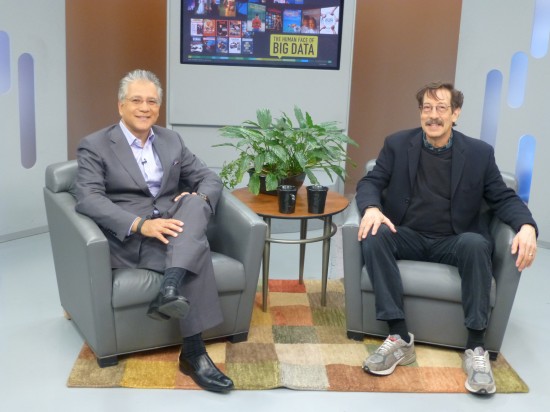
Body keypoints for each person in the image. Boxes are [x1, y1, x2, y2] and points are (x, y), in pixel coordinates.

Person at [355, 81, 538, 395]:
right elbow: (371, 181)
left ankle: (476, 347)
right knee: (375, 234)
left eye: (441, 108)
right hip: (407, 234)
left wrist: (527, 226)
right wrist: (372, 208)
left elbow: (503, 198)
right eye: (427, 108)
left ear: (456, 113)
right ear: (420, 113)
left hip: (453, 240)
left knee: (477, 243)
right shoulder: (397, 144)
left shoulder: (479, 154)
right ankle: (399, 336)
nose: (433, 115)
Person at [74, 69, 233, 393]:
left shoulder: (171, 140)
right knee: (195, 248)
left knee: (196, 202)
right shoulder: (95, 145)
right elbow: (88, 198)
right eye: (136, 100)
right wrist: (141, 225)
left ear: (159, 107)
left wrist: (199, 198)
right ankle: (194, 352)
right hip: (132, 237)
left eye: (151, 102)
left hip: (173, 223)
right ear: (121, 105)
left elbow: (209, 178)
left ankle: (169, 287)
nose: (144, 108)